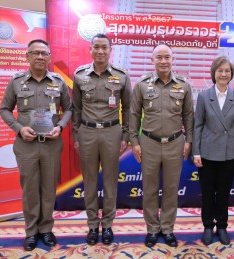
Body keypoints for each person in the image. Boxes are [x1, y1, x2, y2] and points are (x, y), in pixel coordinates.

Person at [0, 39, 72, 251]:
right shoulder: (17, 81)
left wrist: (60, 126)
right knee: (30, 189)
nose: (40, 57)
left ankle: (46, 229)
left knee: (48, 189)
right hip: (26, 144)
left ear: (49, 57)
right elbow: (4, 109)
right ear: (27, 56)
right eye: (35, 53)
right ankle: (31, 231)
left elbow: (68, 109)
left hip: (51, 144)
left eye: (44, 53)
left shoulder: (57, 82)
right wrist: (19, 128)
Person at [129, 44, 194, 248]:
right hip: (149, 143)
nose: (163, 61)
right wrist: (135, 142)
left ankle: (167, 228)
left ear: (173, 60)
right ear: (152, 60)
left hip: (175, 143)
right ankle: (152, 229)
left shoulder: (184, 85)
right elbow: (134, 114)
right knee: (149, 189)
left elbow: (188, 116)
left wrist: (189, 140)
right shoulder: (141, 84)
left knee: (171, 189)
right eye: (159, 57)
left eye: (167, 57)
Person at [72, 33, 131, 245]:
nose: (100, 51)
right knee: (89, 181)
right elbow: (76, 109)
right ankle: (91, 226)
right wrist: (76, 135)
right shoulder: (80, 75)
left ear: (110, 50)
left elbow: (129, 108)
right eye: (96, 47)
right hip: (86, 133)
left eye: (104, 47)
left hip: (112, 133)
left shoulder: (121, 76)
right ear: (90, 49)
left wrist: (125, 135)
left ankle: (107, 225)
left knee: (110, 182)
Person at [192, 56, 234, 245]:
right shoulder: (204, 96)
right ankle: (208, 225)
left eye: (227, 71)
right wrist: (196, 152)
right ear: (214, 73)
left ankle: (222, 226)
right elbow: (197, 125)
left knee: (223, 192)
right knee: (207, 193)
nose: (224, 74)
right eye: (220, 70)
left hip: (228, 153)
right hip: (206, 153)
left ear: (231, 74)